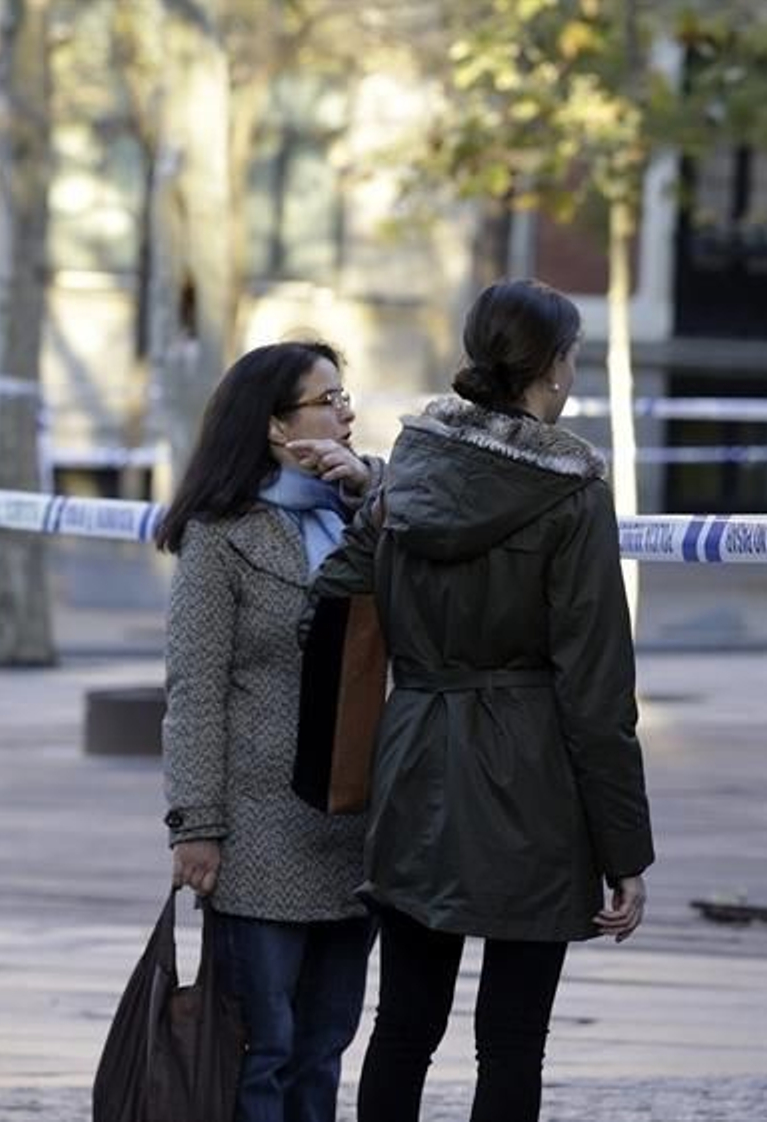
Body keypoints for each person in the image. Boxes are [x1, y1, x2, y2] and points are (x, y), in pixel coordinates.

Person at [310, 278, 655, 1122]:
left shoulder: (411, 473)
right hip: (530, 776)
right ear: (556, 370)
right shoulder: (571, 495)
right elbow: (597, 686)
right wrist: (626, 850)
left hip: (416, 752)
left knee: (403, 1025)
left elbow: (337, 592)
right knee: (511, 1042)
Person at [157, 341, 383, 1122]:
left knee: (324, 1047)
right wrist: (198, 824)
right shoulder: (222, 535)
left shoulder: (370, 518)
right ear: (277, 427)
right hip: (257, 835)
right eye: (328, 400)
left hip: (355, 830)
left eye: (344, 396)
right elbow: (195, 688)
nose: (347, 412)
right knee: (265, 1048)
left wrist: (370, 494)